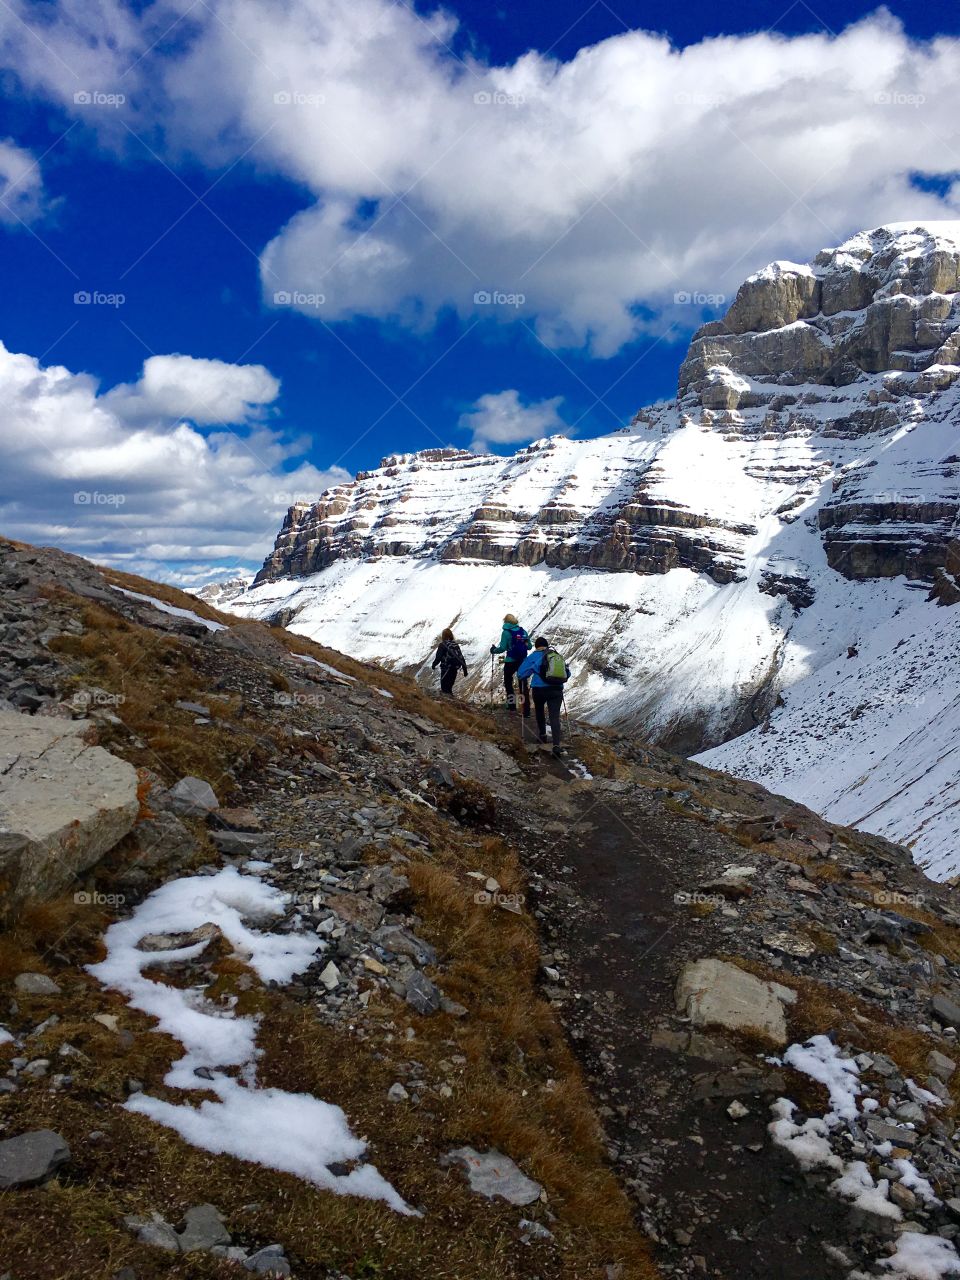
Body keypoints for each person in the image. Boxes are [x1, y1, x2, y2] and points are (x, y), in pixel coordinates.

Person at [516, 637, 570, 758]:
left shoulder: (533, 657)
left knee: (539, 711)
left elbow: (521, 674)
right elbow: (568, 673)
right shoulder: (556, 655)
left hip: (539, 689)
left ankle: (542, 736)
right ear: (547, 645)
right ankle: (556, 745)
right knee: (554, 716)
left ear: (536, 646)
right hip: (556, 689)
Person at [489, 613, 531, 715]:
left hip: (511, 661)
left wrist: (494, 650)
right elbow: (529, 646)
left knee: (508, 682)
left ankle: (512, 706)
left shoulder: (506, 632)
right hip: (522, 661)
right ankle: (526, 711)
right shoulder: (523, 631)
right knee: (523, 684)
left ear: (505, 621)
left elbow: (502, 648)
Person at [431, 627, 468, 696]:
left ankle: (446, 705)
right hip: (454, 669)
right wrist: (465, 670)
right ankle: (452, 704)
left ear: (443, 636)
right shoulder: (455, 644)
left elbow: (438, 658)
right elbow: (461, 657)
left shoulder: (442, 645)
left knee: (444, 689)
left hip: (446, 669)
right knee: (449, 688)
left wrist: (433, 665)